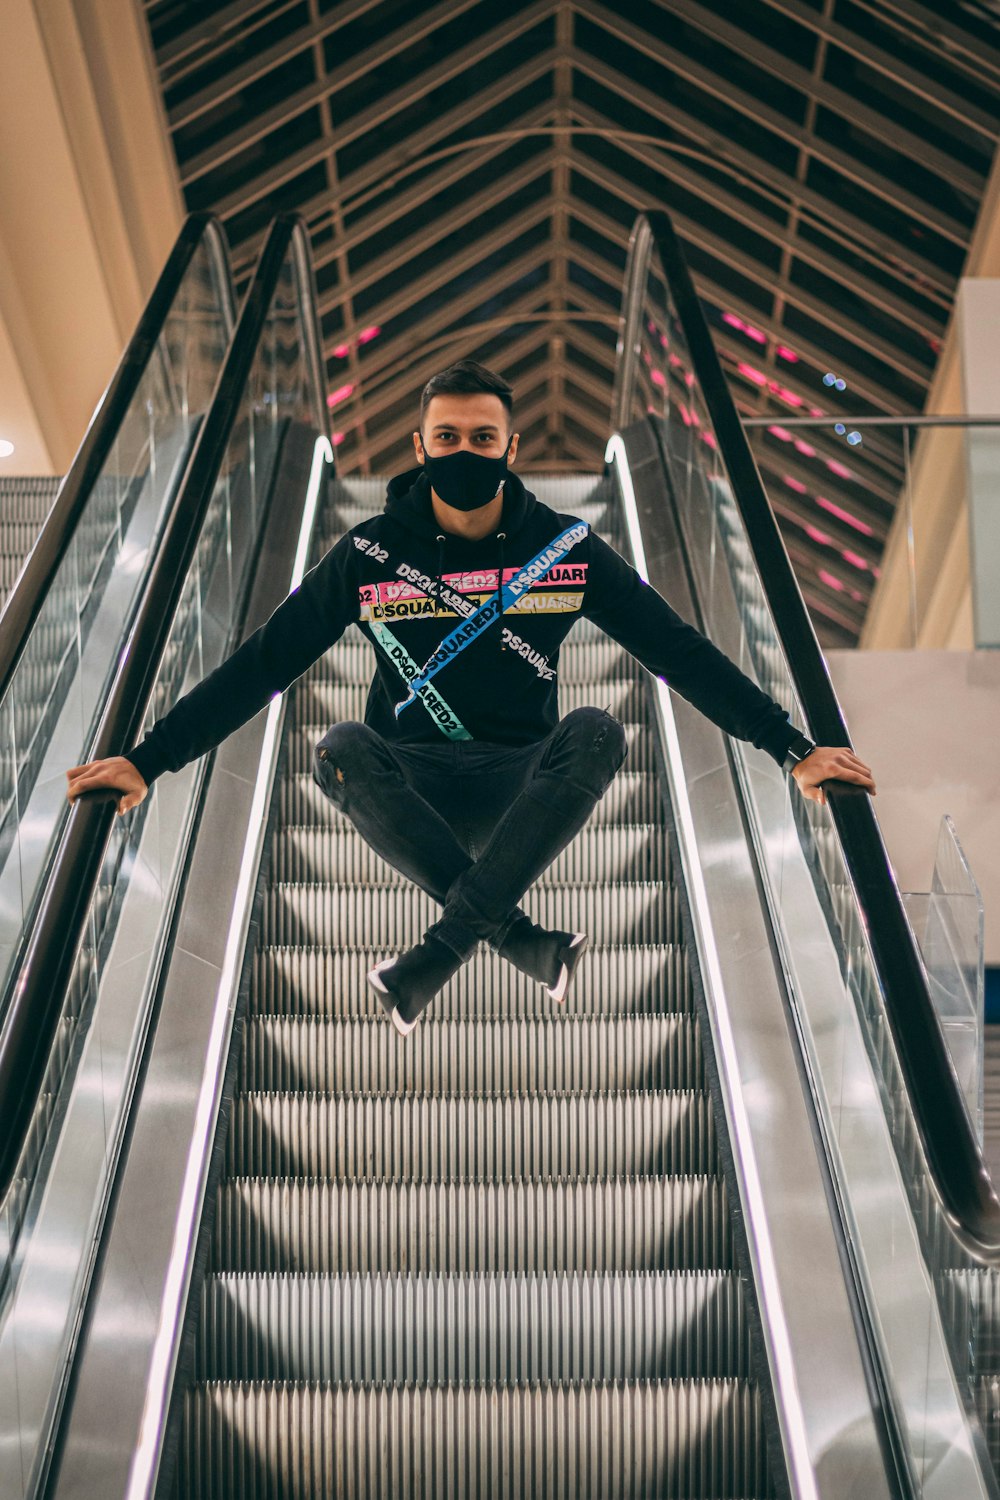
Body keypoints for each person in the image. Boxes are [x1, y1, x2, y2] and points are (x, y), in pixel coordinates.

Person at [66, 360, 876, 1036]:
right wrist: (147, 760)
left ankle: (437, 957)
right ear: (419, 447)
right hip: (405, 781)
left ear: (511, 447)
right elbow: (262, 665)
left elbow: (680, 653)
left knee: (598, 729)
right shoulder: (370, 554)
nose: (464, 451)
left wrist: (793, 747)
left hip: (523, 778)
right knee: (339, 744)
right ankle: (518, 939)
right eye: (447, 438)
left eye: (482, 438)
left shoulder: (565, 548)